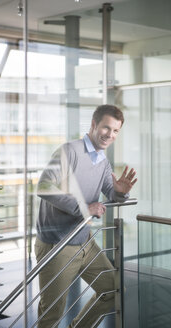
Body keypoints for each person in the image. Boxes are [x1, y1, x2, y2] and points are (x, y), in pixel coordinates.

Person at [34, 104, 137, 328]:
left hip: (84, 240)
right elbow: (43, 187)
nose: (110, 135)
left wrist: (121, 192)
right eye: (106, 128)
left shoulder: (102, 161)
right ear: (93, 125)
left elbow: (112, 193)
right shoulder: (68, 151)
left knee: (113, 288)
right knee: (52, 314)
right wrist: (84, 207)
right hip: (57, 244)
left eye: (116, 131)